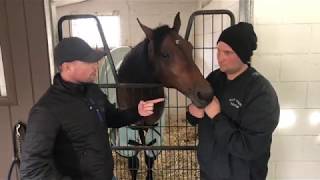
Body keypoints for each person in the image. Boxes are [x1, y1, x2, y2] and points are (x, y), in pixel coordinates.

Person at [20, 37, 164, 180]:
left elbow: (111, 118)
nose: (96, 66)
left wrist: (137, 112)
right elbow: (32, 170)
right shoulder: (46, 110)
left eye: (95, 61)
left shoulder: (93, 92)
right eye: (88, 62)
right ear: (67, 67)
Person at [187, 22, 280, 180]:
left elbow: (248, 148)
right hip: (209, 171)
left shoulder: (261, 94)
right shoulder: (214, 79)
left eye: (228, 52)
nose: (220, 57)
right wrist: (192, 112)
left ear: (243, 55)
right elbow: (194, 117)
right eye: (218, 50)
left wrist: (217, 116)